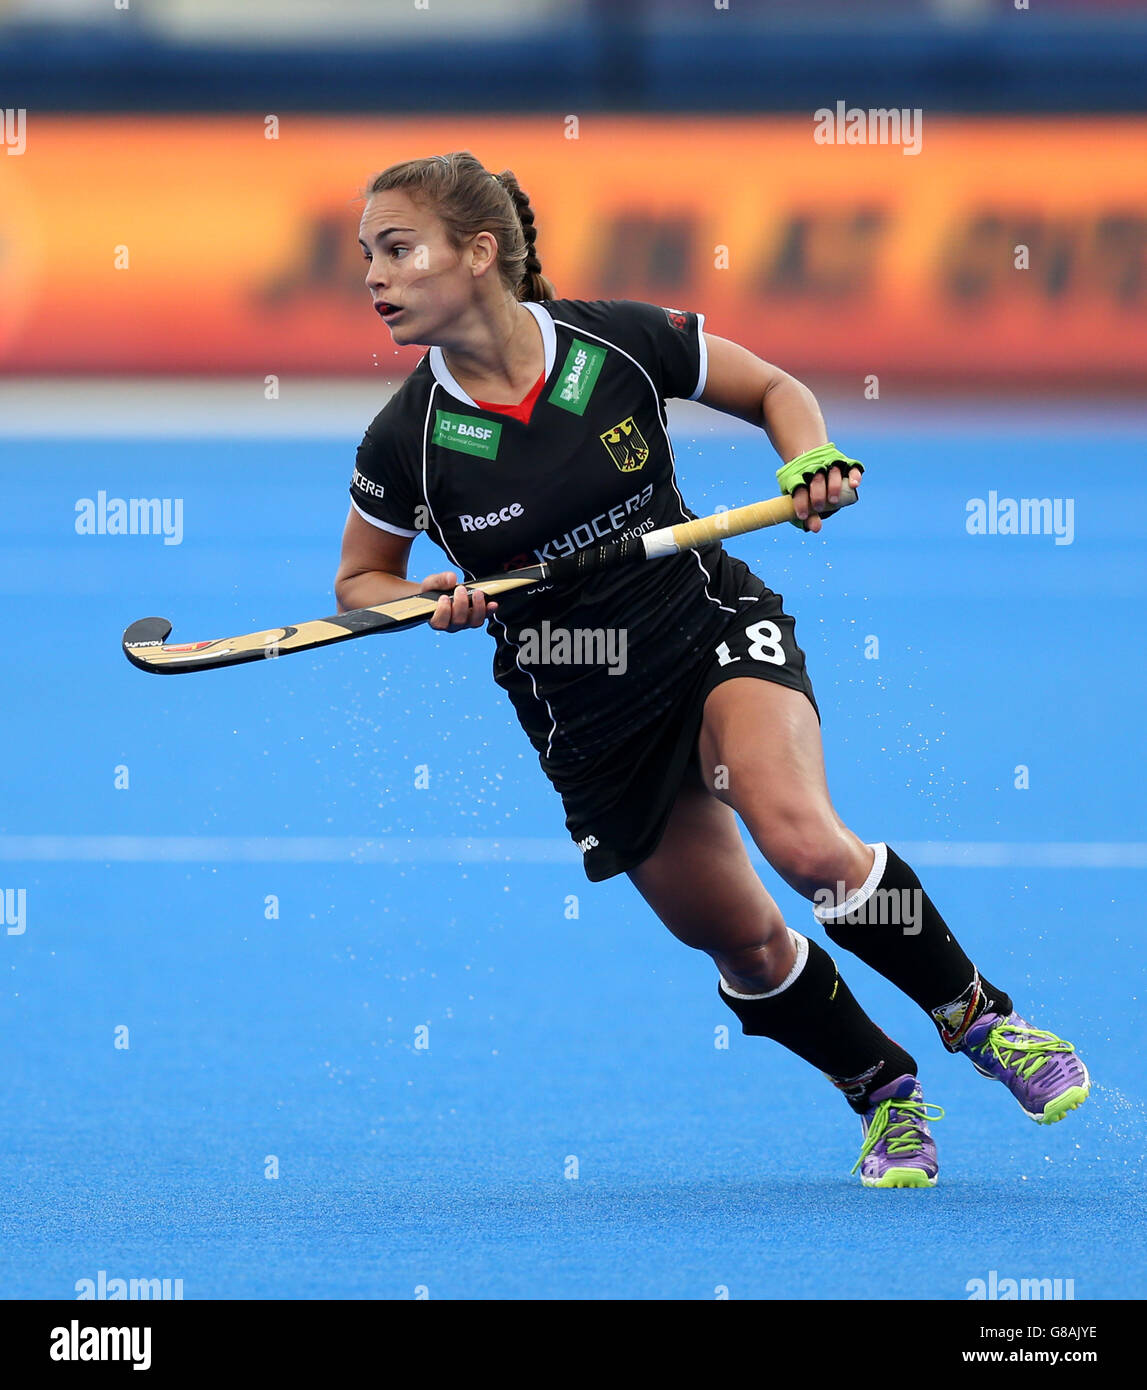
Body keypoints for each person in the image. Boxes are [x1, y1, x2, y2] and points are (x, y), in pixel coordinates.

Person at [335, 151, 1089, 1187]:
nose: (373, 275)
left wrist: (807, 459)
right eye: (365, 255)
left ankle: (980, 1018)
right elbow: (361, 579)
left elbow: (774, 389)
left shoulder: (619, 343)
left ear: (479, 251)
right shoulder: (408, 438)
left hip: (704, 624)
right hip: (581, 700)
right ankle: (881, 1089)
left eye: (396, 249)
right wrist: (426, 601)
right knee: (741, 943)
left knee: (804, 839)